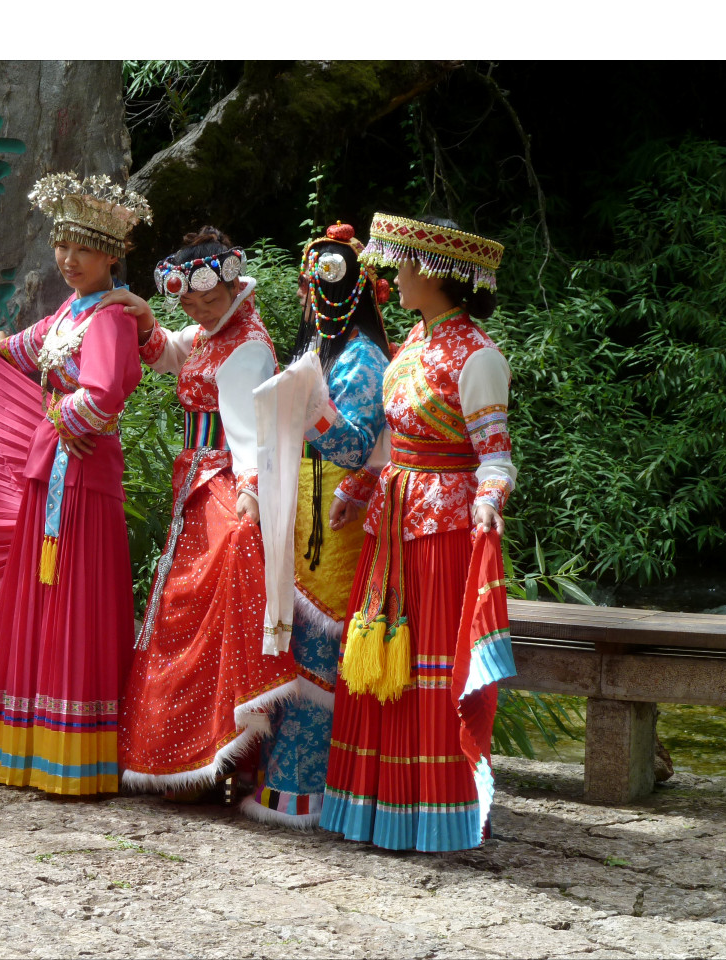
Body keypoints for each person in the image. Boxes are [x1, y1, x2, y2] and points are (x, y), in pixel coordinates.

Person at [319, 212, 518, 851]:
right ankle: (378, 808)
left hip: (442, 534)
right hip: (394, 521)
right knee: (383, 664)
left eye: (404, 264)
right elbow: (390, 441)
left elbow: (495, 452)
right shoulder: (411, 344)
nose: (394, 274)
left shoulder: (479, 356)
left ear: (434, 272)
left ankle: (438, 814)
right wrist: (355, 489)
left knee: (428, 668)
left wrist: (490, 498)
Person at [0, 172, 152, 797]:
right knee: (46, 593)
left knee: (75, 595)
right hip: (55, 470)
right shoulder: (73, 310)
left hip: (84, 470)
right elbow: (20, 348)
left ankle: (75, 751)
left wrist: (55, 416)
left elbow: (103, 395)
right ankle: (32, 738)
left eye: (83, 249)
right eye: (62, 245)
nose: (68, 259)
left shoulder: (113, 319)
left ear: (111, 256)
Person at [104, 227, 299, 797]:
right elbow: (171, 352)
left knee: (201, 598)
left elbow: (252, 432)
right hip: (198, 478)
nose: (200, 310)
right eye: (190, 303)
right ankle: (187, 754)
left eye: (209, 300)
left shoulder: (248, 346)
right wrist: (144, 318)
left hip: (223, 480)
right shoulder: (215, 332)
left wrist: (252, 494)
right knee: (180, 602)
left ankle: (207, 751)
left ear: (236, 288)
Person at [243, 222, 392, 827]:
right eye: (312, 288)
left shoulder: (364, 357)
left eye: (326, 289)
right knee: (292, 651)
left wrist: (311, 412)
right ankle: (283, 784)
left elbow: (359, 448)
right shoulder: (320, 354)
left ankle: (312, 793)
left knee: (321, 656)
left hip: (340, 521)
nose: (315, 301)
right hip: (301, 516)